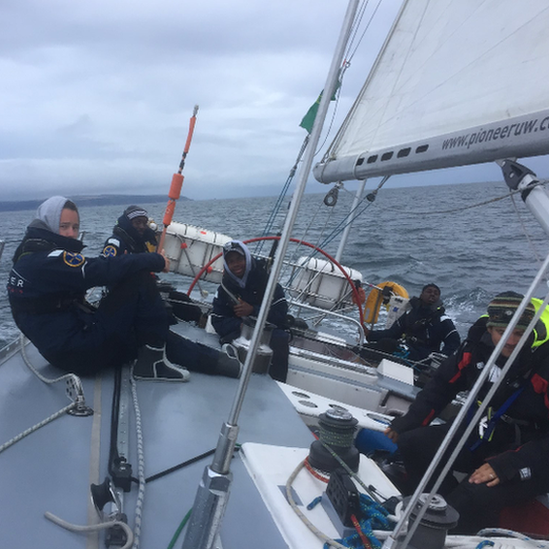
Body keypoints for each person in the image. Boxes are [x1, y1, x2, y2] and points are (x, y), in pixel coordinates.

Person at [383, 291, 549, 534]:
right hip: (487, 433)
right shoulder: (476, 348)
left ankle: (452, 529)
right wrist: (408, 422)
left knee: (475, 491)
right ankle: (435, 510)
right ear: (490, 329)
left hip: (533, 453)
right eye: (503, 333)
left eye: (519, 333)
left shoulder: (544, 363)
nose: (511, 341)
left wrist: (509, 464)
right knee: (412, 444)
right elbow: (442, 385)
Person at [7, 196, 190, 381]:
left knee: (146, 335)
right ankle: (155, 364)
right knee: (139, 280)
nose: (71, 233)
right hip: (81, 353)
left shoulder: (29, 256)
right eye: (64, 226)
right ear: (48, 224)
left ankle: (217, 362)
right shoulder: (45, 261)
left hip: (64, 348)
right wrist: (155, 261)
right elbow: (100, 270)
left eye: (75, 227)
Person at [102, 205, 202, 324]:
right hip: (123, 296)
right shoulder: (115, 243)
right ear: (128, 223)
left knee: (181, 300)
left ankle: (202, 321)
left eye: (144, 223)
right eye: (137, 222)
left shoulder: (139, 242)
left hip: (142, 288)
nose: (141, 227)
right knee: (165, 311)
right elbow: (107, 270)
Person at [211, 240, 290, 382]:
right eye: (231, 261)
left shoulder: (267, 281)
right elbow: (217, 319)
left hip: (267, 334)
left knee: (281, 338)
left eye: (239, 259)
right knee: (226, 342)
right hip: (239, 333)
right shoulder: (225, 288)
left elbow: (281, 314)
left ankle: (276, 382)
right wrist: (240, 326)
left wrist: (253, 310)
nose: (236, 264)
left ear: (247, 257)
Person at [363, 283, 460, 365]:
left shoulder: (443, 319)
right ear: (421, 295)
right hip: (406, 349)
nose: (432, 294)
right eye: (429, 291)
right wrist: (370, 334)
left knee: (388, 344)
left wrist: (439, 360)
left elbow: (454, 342)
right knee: (367, 347)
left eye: (436, 293)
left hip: (425, 358)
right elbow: (393, 333)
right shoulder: (410, 314)